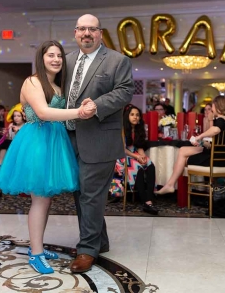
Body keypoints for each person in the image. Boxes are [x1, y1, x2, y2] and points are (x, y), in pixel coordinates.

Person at [0, 40, 95, 275]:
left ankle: (36, 246)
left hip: (54, 140)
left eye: (59, 55)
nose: (56, 60)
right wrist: (79, 112)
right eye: (51, 55)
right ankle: (36, 254)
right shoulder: (33, 81)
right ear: (41, 58)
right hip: (37, 141)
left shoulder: (56, 83)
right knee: (39, 199)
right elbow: (43, 112)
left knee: (46, 199)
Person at [65, 14, 134, 273]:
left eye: (92, 29)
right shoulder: (67, 61)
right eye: (82, 28)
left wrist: (98, 105)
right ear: (75, 32)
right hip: (69, 137)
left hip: (101, 137)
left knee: (91, 195)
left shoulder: (117, 60)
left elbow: (125, 91)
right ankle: (99, 241)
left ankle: (87, 249)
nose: (87, 33)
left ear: (100, 33)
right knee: (81, 193)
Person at [156, 95, 225, 195]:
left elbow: (215, 130)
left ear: (218, 106)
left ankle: (171, 185)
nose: (212, 109)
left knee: (183, 158)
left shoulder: (221, 120)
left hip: (216, 159)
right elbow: (217, 144)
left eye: (213, 106)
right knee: (183, 150)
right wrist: (202, 143)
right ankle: (170, 185)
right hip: (222, 157)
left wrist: (199, 137)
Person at [112, 104, 158, 215]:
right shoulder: (122, 129)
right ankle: (146, 202)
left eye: (137, 115)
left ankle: (150, 198)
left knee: (150, 165)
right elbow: (122, 149)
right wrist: (137, 157)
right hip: (122, 155)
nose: (135, 117)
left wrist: (142, 156)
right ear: (127, 116)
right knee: (138, 168)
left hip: (134, 153)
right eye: (132, 114)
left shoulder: (138, 129)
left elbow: (139, 146)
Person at [0, 104, 26, 177]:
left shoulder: (26, 126)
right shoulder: (11, 125)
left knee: (7, 144)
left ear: (23, 117)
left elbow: (24, 139)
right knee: (4, 143)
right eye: (15, 116)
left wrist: (18, 131)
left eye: (18, 116)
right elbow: (9, 138)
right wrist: (7, 132)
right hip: (12, 146)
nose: (16, 118)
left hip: (22, 146)